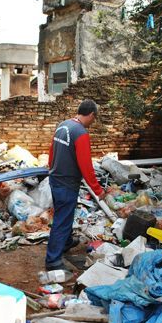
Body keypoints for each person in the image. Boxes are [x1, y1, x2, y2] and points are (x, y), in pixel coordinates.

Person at [46, 99, 105, 271]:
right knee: (62, 221)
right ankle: (53, 260)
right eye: (95, 118)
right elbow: (85, 165)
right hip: (67, 183)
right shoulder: (81, 133)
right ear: (92, 115)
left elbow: (52, 150)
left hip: (55, 178)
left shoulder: (63, 125)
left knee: (64, 216)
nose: (94, 122)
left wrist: (52, 167)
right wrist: (97, 190)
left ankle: (65, 243)